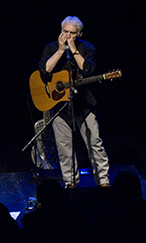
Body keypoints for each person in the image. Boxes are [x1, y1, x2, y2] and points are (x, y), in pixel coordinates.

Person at [38, 16, 110, 188]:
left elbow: (89, 70)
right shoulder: (51, 48)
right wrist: (61, 51)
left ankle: (103, 181)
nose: (67, 36)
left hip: (84, 105)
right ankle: (70, 183)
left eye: (72, 33)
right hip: (59, 106)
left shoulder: (87, 48)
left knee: (94, 143)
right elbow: (44, 71)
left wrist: (73, 50)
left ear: (79, 34)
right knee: (64, 148)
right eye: (65, 32)